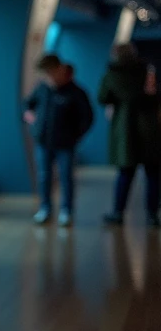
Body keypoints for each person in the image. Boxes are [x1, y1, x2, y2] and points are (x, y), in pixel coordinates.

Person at [23, 55, 94, 226]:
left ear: (60, 70)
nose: (49, 78)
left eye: (51, 73)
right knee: (44, 177)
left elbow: (87, 117)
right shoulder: (42, 88)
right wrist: (31, 118)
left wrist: (75, 136)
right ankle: (45, 208)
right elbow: (27, 105)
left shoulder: (76, 92)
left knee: (66, 177)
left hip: (66, 144)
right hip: (43, 142)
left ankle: (66, 210)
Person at [98, 42, 161, 227]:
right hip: (149, 128)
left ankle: (118, 213)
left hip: (125, 129)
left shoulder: (112, 75)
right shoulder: (146, 72)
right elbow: (155, 96)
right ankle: (152, 215)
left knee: (125, 173)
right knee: (153, 175)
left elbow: (102, 97)